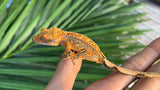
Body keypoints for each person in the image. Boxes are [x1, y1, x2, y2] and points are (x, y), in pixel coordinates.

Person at [44, 37, 160, 90]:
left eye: (44, 39)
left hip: (93, 53)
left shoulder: (66, 41)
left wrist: (74, 55)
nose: (42, 40)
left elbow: (72, 49)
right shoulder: (64, 38)